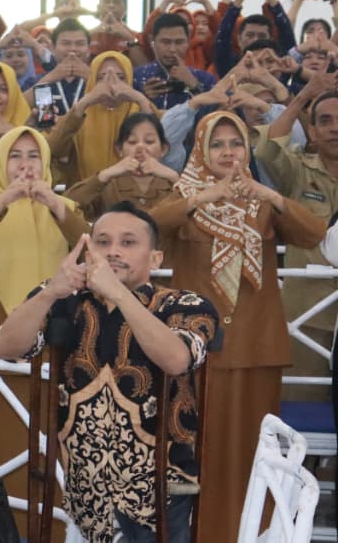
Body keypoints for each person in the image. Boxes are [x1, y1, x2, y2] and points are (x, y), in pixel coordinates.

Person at [0, 203, 220, 543]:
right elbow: (6, 347)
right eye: (102, 242)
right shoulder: (65, 298)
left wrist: (119, 294)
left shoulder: (184, 304)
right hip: (85, 481)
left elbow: (176, 360)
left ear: (155, 259)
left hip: (160, 485)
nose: (113, 251)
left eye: (128, 242)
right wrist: (50, 292)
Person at [148, 111, 325, 543]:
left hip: (255, 347)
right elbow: (151, 226)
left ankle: (252, 534)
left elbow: (314, 232)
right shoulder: (184, 195)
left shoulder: (262, 203)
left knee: (253, 451)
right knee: (194, 450)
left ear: (247, 150)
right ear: (200, 150)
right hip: (196, 349)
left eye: (236, 143)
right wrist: (202, 197)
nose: (228, 152)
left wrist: (271, 194)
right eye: (217, 144)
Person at [0, 126, 89, 527]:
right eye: (15, 156)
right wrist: (2, 202)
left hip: (54, 341)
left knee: (52, 450)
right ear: (0, 162)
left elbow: (90, 245)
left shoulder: (65, 207)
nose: (25, 165)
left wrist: (54, 204)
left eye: (34, 156)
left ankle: (53, 529)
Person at [258, 81, 338, 401]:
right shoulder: (297, 171)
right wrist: (302, 97)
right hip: (307, 315)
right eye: (326, 121)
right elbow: (266, 150)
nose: (335, 128)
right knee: (302, 407)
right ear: (312, 132)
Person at [46, 51, 155, 184]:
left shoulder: (141, 110)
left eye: (121, 78)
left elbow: (162, 146)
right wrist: (83, 103)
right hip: (86, 194)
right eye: (101, 78)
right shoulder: (78, 117)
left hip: (134, 193)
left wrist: (140, 99)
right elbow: (53, 149)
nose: (111, 84)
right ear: (92, 81)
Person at [64, 112, 179, 222]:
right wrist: (104, 175)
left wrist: (174, 177)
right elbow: (67, 205)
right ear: (119, 149)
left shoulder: (174, 182)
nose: (140, 147)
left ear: (163, 149)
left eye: (149, 142)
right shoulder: (107, 184)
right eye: (132, 142)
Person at [132, 13, 216, 112]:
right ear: (152, 41)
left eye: (179, 42)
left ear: (188, 42)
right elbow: (123, 116)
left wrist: (194, 86)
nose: (172, 49)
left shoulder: (206, 79)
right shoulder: (135, 77)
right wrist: (142, 98)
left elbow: (215, 116)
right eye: (165, 42)